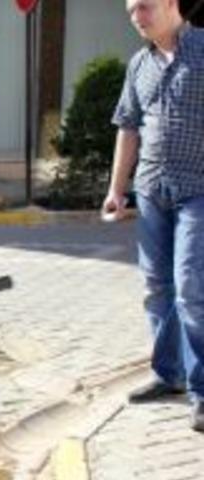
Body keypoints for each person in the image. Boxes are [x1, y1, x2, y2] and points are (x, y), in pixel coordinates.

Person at [105, 0, 204, 432]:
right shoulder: (139, 64)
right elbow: (128, 127)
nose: (136, 17)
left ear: (169, 3)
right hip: (151, 190)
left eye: (143, 7)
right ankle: (169, 374)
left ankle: (202, 389)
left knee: (190, 287)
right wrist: (116, 189)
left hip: (199, 189)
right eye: (131, 11)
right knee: (156, 287)